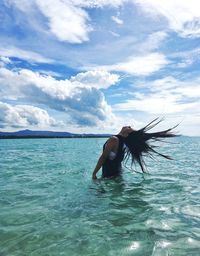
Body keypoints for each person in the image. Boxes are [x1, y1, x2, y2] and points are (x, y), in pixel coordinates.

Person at [92, 118, 178, 179]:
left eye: (130, 127)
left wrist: (94, 173)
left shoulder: (114, 139)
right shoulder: (124, 143)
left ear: (128, 133)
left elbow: (103, 157)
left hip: (109, 176)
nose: (128, 126)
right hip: (117, 174)